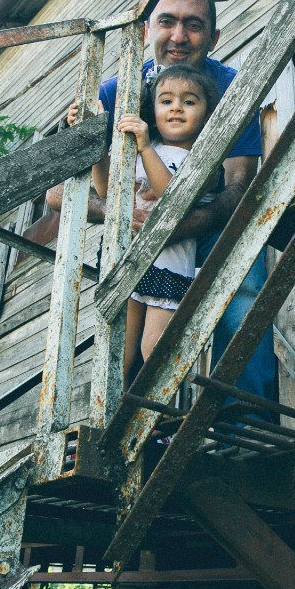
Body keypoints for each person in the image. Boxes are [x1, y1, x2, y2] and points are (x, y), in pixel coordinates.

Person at [49, 0, 276, 400]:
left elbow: (238, 184)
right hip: (132, 234)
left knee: (243, 283)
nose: (178, 36)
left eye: (193, 25)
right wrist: (127, 216)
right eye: (167, 21)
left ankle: (241, 423)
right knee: (122, 337)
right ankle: (121, 421)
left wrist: (183, 221)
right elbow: (59, 195)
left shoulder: (232, 87)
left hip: (206, 221)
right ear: (147, 29)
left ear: (214, 36)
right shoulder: (116, 92)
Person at [91, 64, 219, 378]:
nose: (176, 107)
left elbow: (171, 198)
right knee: (120, 353)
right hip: (130, 264)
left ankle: (160, 423)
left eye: (189, 102)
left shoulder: (203, 161)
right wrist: (94, 142)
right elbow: (108, 190)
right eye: (166, 101)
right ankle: (114, 421)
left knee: (154, 353)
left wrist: (146, 146)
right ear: (155, 110)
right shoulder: (139, 151)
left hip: (169, 271)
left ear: (206, 114)